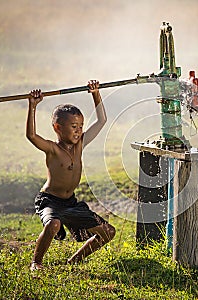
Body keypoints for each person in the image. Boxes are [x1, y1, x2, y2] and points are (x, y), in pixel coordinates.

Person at [26, 80, 116, 271]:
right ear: (58, 127)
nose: (79, 130)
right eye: (74, 126)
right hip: (50, 201)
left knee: (108, 232)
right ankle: (36, 262)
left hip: (71, 202)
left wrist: (95, 94)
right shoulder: (52, 148)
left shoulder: (80, 145)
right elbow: (32, 136)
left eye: (81, 126)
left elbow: (101, 121)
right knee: (53, 224)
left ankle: (74, 261)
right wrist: (32, 106)